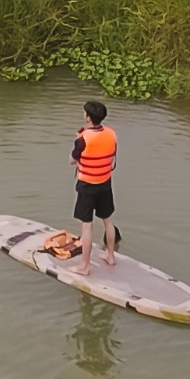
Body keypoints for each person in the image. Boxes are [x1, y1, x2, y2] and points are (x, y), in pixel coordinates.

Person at [70, 100, 118, 275]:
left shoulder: (83, 138)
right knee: (107, 220)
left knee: (86, 226)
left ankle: (85, 267)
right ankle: (110, 256)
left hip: (87, 185)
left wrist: (78, 141)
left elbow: (72, 160)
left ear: (88, 118)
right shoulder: (112, 133)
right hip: (105, 183)